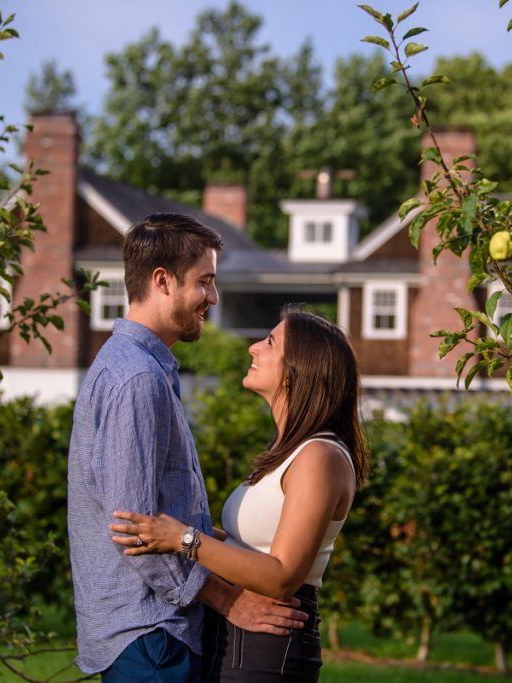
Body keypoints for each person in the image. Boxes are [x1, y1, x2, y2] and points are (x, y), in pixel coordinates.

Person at [68, 213, 307, 682]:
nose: (213, 298)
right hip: (151, 636)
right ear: (163, 281)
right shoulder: (136, 378)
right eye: (205, 282)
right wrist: (228, 599)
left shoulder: (146, 368)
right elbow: (134, 529)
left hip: (155, 635)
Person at [109, 308, 369, 682]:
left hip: (269, 640)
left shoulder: (320, 457)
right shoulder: (291, 450)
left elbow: (282, 576)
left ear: (299, 369)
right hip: (237, 631)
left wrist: (182, 538)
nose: (253, 348)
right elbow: (250, 547)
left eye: (270, 343)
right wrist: (177, 529)